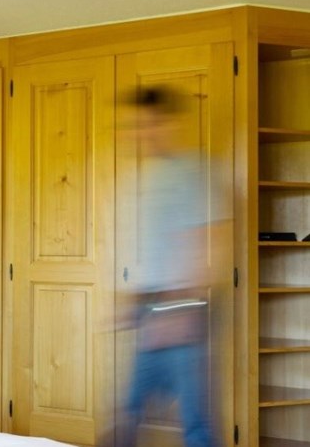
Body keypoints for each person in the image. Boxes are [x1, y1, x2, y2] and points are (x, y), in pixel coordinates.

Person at [118, 85, 216, 447]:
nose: (144, 132)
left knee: (194, 417)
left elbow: (210, 240)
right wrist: (126, 302)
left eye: (152, 123)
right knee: (128, 409)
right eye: (137, 125)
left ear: (171, 123)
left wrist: (183, 308)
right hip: (147, 309)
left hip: (181, 309)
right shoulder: (139, 176)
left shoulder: (192, 171)